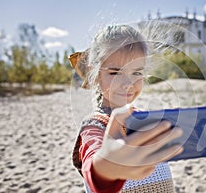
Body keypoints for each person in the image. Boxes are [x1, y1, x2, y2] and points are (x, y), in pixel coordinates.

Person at [69, 25, 184, 193]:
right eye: (115, 73)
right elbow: (94, 169)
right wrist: (107, 167)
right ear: (95, 76)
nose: (128, 84)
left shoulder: (143, 120)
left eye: (137, 73)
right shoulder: (94, 126)